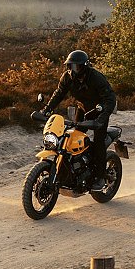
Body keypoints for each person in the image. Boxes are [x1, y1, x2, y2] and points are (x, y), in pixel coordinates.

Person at [40, 50, 116, 191]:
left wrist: (101, 119)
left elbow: (110, 99)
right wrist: (47, 109)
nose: (72, 69)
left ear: (85, 66)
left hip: (99, 110)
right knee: (74, 137)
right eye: (70, 66)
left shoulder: (96, 78)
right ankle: (77, 168)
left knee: (98, 141)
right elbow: (59, 93)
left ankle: (99, 176)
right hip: (82, 109)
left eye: (76, 66)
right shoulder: (67, 77)